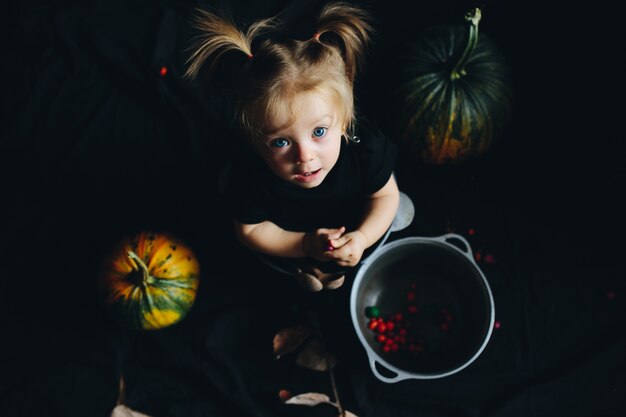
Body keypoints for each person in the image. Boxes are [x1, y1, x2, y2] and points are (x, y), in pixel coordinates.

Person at [185, 2, 401, 291]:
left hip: (351, 221)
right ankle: (312, 273)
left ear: (344, 122)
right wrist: (304, 244)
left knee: (386, 217)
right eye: (281, 142)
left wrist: (362, 237)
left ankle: (328, 275)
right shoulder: (251, 174)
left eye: (320, 132)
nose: (304, 156)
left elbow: (385, 197)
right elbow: (249, 231)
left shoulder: (365, 148)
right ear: (255, 141)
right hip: (293, 235)